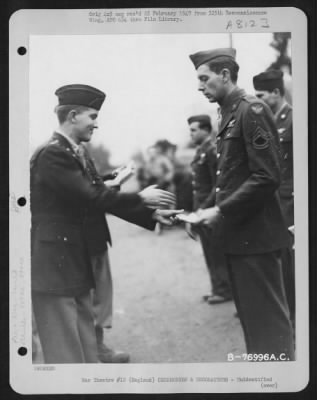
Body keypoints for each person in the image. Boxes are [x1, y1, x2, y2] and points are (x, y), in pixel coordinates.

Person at [31, 84, 180, 363]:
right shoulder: (53, 154)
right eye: (93, 117)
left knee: (85, 344)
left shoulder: (76, 152)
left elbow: (96, 194)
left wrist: (150, 215)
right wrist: (142, 198)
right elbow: (93, 196)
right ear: (73, 115)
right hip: (55, 263)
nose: (96, 124)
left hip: (73, 256)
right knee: (66, 350)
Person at [188, 48, 295, 360]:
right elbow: (229, 177)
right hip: (241, 237)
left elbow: (267, 176)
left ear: (224, 75)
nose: (200, 85)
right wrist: (206, 213)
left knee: (269, 325)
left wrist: (219, 211)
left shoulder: (252, 110)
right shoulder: (229, 112)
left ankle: (278, 381)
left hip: (257, 237)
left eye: (204, 78)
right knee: (253, 322)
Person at [253, 69, 295, 329]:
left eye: (261, 95)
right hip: (275, 204)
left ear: (277, 93)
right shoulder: (267, 122)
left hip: (291, 203)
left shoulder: (294, 120)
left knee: (293, 267)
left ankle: (295, 324)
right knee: (281, 263)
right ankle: (286, 317)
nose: (257, 101)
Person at [187, 114, 232, 304]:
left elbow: (218, 184)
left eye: (194, 129)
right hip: (202, 208)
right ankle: (217, 287)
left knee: (215, 251)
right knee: (208, 249)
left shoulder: (212, 150)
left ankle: (223, 290)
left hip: (211, 209)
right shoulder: (201, 150)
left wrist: (204, 208)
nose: (190, 133)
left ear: (206, 130)